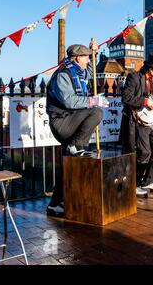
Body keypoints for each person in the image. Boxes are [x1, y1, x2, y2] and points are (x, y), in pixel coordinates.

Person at [45, 41, 109, 217]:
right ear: (77, 58)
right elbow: (69, 101)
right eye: (86, 57)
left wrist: (95, 53)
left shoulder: (78, 72)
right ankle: (77, 145)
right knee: (96, 112)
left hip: (71, 119)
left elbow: (91, 72)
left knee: (68, 165)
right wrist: (92, 101)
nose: (88, 60)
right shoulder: (63, 75)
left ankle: (55, 204)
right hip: (62, 122)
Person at [121, 53, 153, 197]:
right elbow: (126, 97)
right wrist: (145, 102)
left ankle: (148, 181)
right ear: (149, 68)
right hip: (137, 121)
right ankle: (134, 184)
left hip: (152, 121)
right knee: (144, 153)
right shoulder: (134, 77)